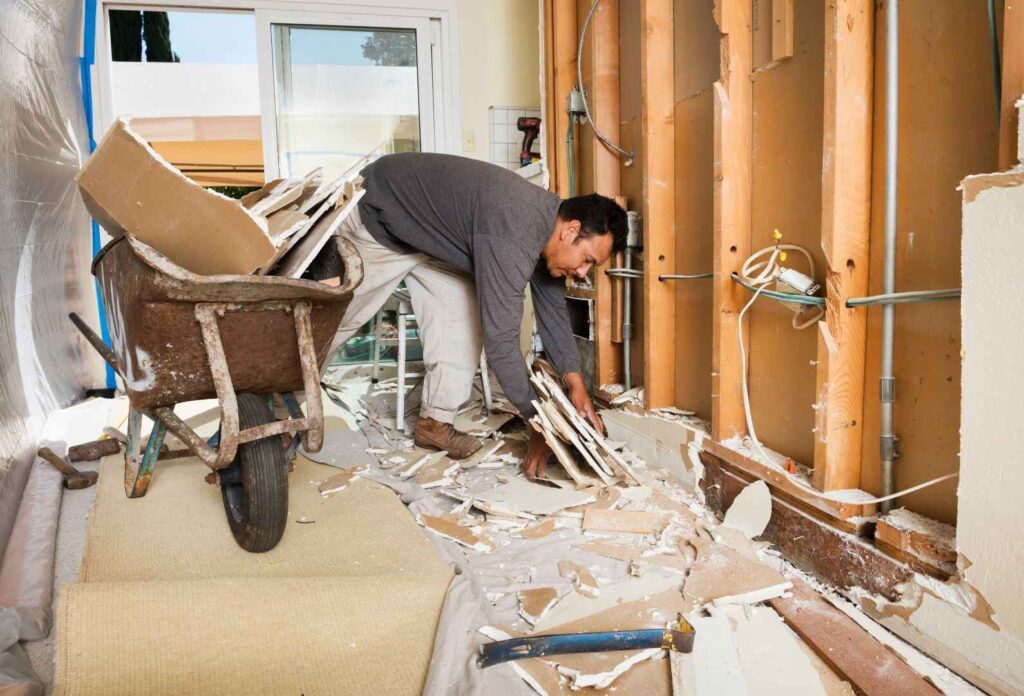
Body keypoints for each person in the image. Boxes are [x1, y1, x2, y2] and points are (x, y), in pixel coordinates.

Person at [327, 152, 627, 479]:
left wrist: (575, 382)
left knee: (463, 328)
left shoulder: (547, 234)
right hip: (382, 219)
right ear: (570, 230)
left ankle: (433, 424)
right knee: (336, 321)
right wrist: (540, 423)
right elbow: (502, 344)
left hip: (436, 242)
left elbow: (553, 314)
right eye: (587, 260)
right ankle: (286, 404)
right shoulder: (513, 234)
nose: (583, 272)